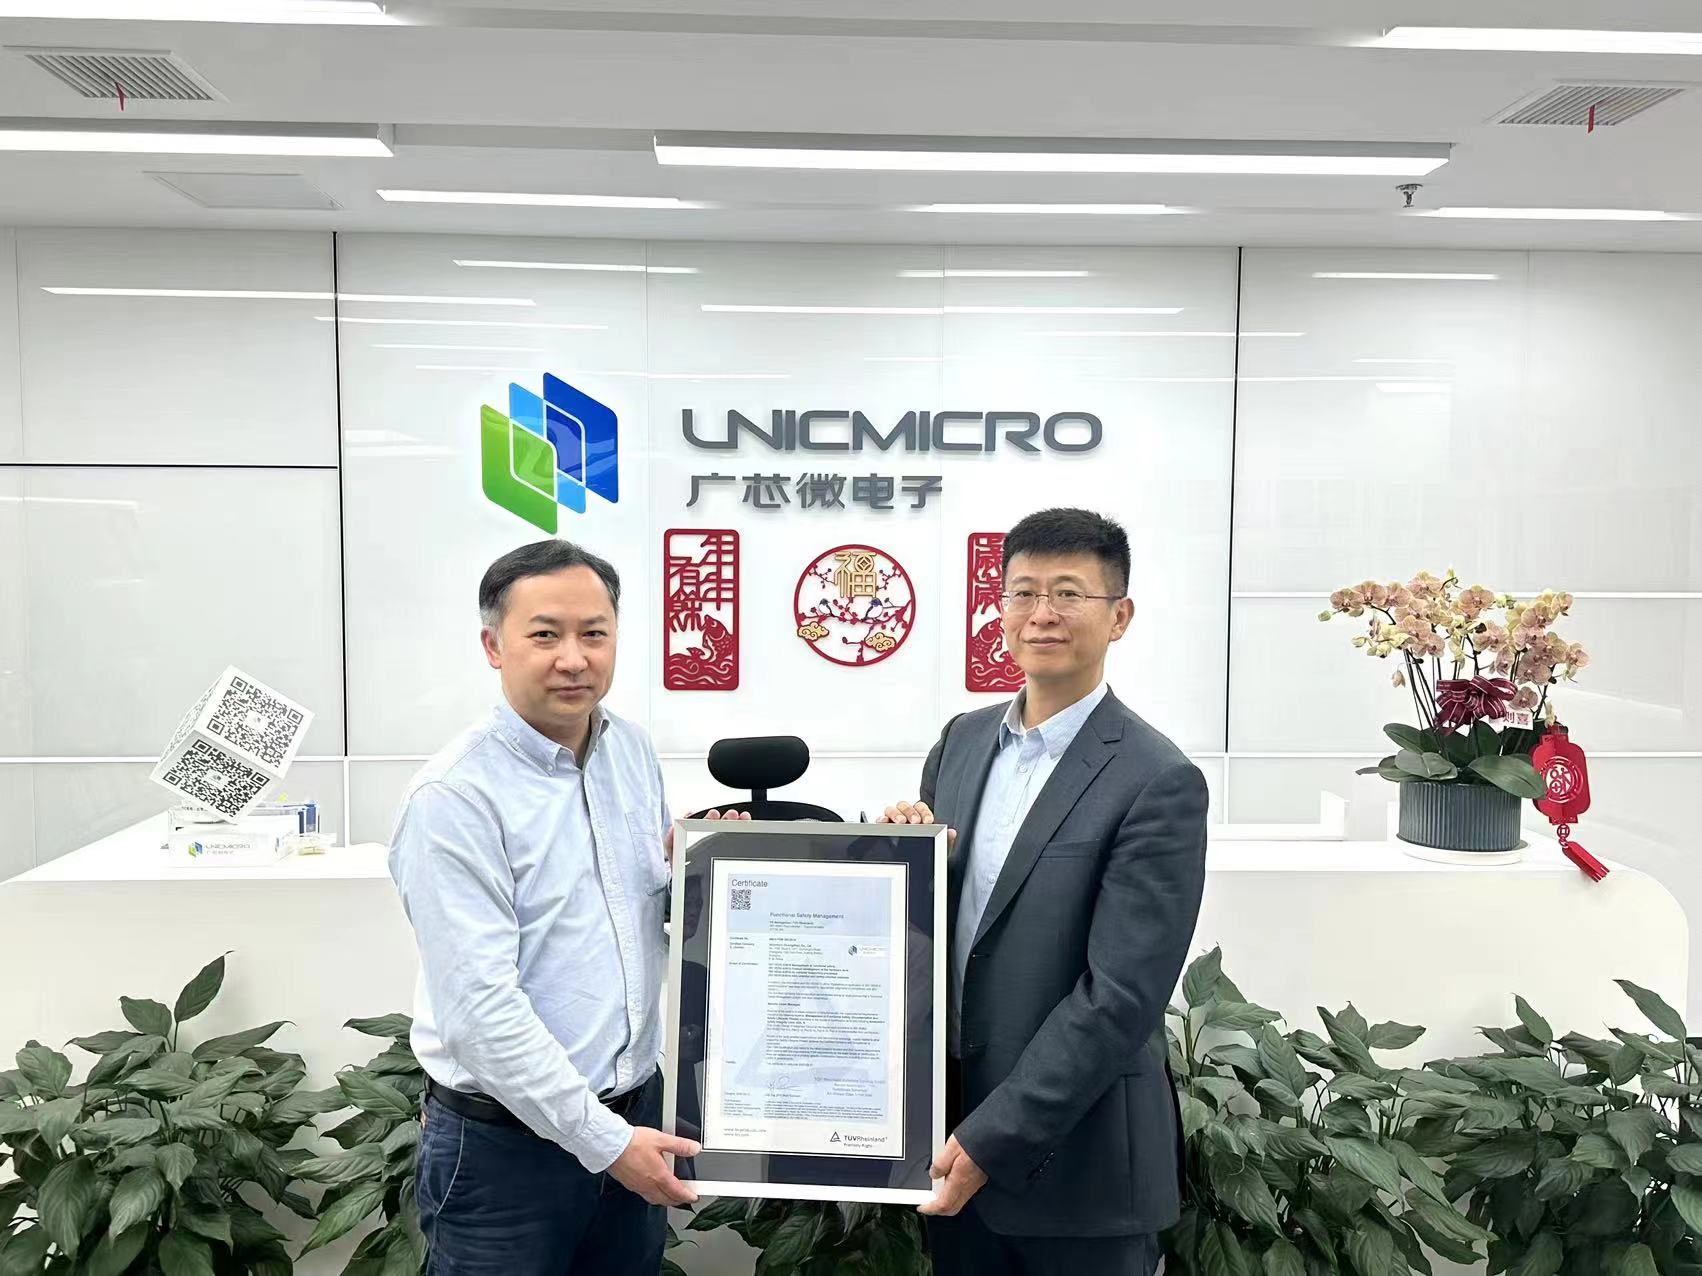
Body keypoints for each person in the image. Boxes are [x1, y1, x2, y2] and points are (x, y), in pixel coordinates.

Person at [389, 538, 743, 1275]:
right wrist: (606, 1145)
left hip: (633, 1117)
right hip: (507, 1153)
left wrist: (706, 877)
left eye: (594, 634)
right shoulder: (455, 797)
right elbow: (480, 1012)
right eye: (545, 634)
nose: (574, 659)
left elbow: (635, 912)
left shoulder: (629, 751)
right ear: (494, 645)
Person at [881, 507, 1209, 1276]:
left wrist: (992, 1138)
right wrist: (904, 856)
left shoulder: (1157, 779)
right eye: (1023, 592)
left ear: (1119, 616)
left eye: (1069, 593)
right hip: (952, 1153)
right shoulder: (961, 744)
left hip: (1080, 1173)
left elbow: (1119, 997)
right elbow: (944, 936)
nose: (1042, 613)